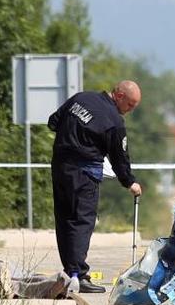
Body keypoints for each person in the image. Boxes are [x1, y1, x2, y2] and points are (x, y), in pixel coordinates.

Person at [47, 80, 143, 293]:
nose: (130, 110)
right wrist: (130, 182)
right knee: (82, 221)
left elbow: (53, 122)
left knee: (64, 219)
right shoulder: (114, 122)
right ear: (119, 96)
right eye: (130, 105)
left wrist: (71, 137)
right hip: (85, 174)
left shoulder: (81, 98)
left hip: (60, 167)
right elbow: (120, 158)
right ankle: (78, 276)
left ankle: (70, 272)